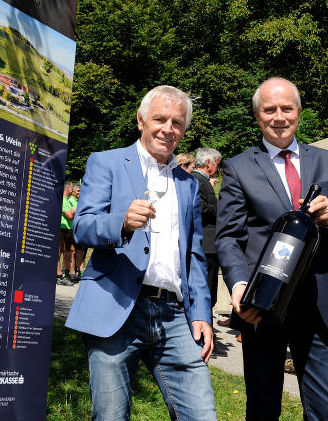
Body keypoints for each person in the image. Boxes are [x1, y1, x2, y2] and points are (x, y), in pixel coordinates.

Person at [216, 77, 328, 421]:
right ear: (257, 116)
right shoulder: (239, 167)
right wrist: (241, 286)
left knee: (327, 412)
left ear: (298, 112)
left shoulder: (327, 160)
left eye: (286, 108)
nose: (279, 116)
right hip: (262, 304)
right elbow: (228, 237)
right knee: (264, 408)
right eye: (269, 109)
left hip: (318, 305)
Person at [65, 85, 216, 421]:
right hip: (116, 306)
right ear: (141, 120)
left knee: (202, 415)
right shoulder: (107, 162)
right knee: (111, 416)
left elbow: (193, 255)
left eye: (177, 122)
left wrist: (202, 313)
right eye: (160, 119)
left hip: (174, 314)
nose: (168, 128)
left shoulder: (188, 184)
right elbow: (82, 227)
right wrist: (121, 223)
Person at [192, 147, 222, 321]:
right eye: (217, 164)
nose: (217, 168)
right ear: (209, 162)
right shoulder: (196, 180)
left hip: (209, 242)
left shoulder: (202, 180)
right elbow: (200, 208)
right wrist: (222, 209)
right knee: (206, 288)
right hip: (205, 243)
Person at [57, 182, 77, 285]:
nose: (73, 189)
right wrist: (75, 211)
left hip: (68, 230)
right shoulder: (64, 200)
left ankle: (67, 274)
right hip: (62, 229)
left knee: (69, 253)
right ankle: (59, 277)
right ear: (68, 188)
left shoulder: (68, 201)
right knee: (59, 253)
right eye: (72, 187)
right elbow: (69, 215)